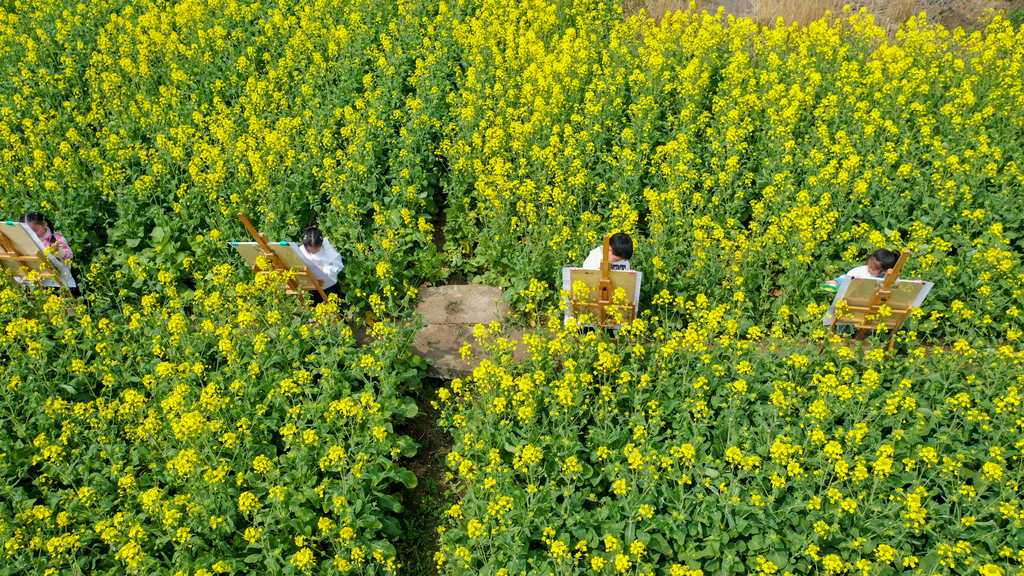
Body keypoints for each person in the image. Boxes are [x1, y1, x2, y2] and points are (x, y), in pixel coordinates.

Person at [19, 211, 79, 295]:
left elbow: (69, 256)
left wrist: (57, 250)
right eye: (29, 232)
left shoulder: (56, 238)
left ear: (44, 223)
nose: (34, 234)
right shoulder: (26, 242)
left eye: (36, 230)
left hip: (63, 280)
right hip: (41, 280)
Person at [298, 223, 343, 305]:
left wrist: (324, 269)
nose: (313, 253)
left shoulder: (330, 252)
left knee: (335, 305)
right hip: (312, 283)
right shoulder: (301, 250)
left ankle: (339, 316)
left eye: (315, 251)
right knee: (312, 304)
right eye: (309, 251)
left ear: (321, 245)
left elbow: (339, 266)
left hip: (329, 283)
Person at [824, 248, 901, 288]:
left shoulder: (892, 278)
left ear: (884, 271)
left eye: (872, 269)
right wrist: (837, 282)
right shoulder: (860, 271)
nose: (868, 269)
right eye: (868, 265)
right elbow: (846, 279)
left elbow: (901, 289)